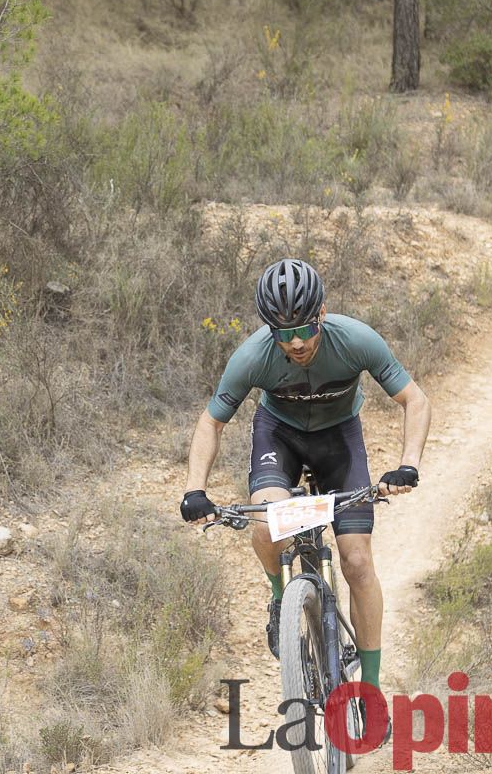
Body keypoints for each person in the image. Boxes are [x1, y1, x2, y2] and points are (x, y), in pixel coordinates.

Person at [179, 258, 431, 699]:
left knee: (356, 561)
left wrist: (408, 463)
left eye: (304, 330)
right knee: (267, 523)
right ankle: (280, 596)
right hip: (281, 436)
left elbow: (415, 400)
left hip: (339, 440)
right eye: (282, 333)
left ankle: (370, 693)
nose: (295, 343)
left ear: (322, 314)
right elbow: (210, 424)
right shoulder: (252, 357)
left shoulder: (355, 340)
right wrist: (194, 489)